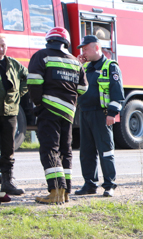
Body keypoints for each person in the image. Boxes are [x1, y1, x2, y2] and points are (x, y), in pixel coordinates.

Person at [27, 27, 87, 204]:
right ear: (65, 43)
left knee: (49, 149)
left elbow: (34, 81)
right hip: (68, 112)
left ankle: (55, 191)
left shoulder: (42, 56)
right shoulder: (75, 62)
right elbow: (83, 89)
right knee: (65, 151)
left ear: (49, 40)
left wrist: (39, 104)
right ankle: (65, 192)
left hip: (49, 110)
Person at [74, 35, 124, 198]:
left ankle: (109, 185)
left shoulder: (110, 67)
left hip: (101, 114)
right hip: (85, 112)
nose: (84, 52)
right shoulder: (85, 67)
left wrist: (112, 114)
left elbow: (118, 94)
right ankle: (90, 184)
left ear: (96, 47)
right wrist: (78, 66)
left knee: (106, 151)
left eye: (86, 49)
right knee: (86, 152)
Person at [0, 33, 29, 197]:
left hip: (10, 112)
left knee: (8, 148)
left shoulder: (14, 64)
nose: (0, 48)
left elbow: (27, 78)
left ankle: (7, 182)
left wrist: (19, 92)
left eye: (3, 45)